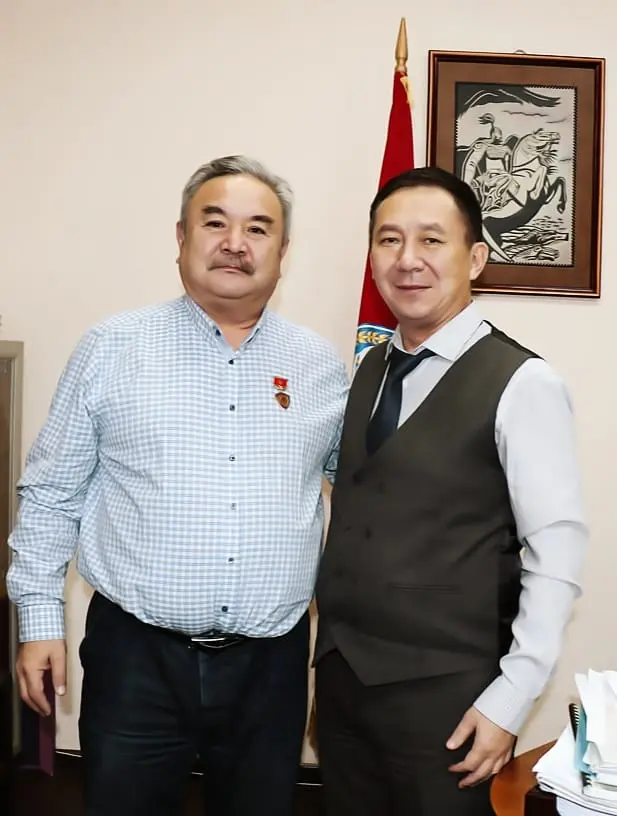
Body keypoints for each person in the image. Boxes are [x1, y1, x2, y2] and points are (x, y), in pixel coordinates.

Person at [7, 155, 348, 816]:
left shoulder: (319, 366)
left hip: (270, 668)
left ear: (283, 252)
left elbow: (365, 497)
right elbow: (51, 493)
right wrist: (40, 620)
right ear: (181, 237)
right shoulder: (112, 347)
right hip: (136, 660)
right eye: (214, 223)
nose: (235, 243)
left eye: (258, 229)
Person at [313, 166, 587, 816]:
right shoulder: (369, 368)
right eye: (389, 240)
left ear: (476, 259)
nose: (407, 259)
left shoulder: (523, 382)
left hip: (450, 703)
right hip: (344, 689)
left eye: (431, 240)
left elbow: (557, 556)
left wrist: (509, 701)